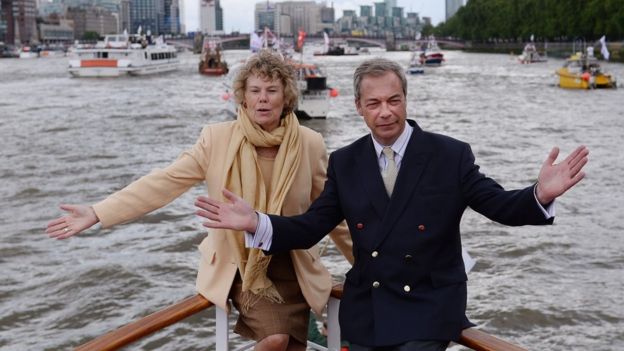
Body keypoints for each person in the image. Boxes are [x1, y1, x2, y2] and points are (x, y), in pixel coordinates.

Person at [195, 58, 589, 351]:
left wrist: (539, 194)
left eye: (393, 100)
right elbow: (312, 226)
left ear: (405, 100)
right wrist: (256, 222)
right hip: (368, 307)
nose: (385, 112)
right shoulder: (346, 162)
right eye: (374, 103)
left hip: (428, 307)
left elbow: (499, 205)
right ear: (358, 107)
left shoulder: (449, 155)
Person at [45, 49, 353, 351]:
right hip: (244, 267)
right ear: (242, 97)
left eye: (272, 90)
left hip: (292, 264)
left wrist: (367, 259)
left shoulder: (310, 144)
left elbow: (331, 214)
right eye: (255, 90)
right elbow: (164, 182)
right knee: (276, 340)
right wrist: (99, 212)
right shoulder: (216, 138)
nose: (263, 98)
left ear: (286, 97)